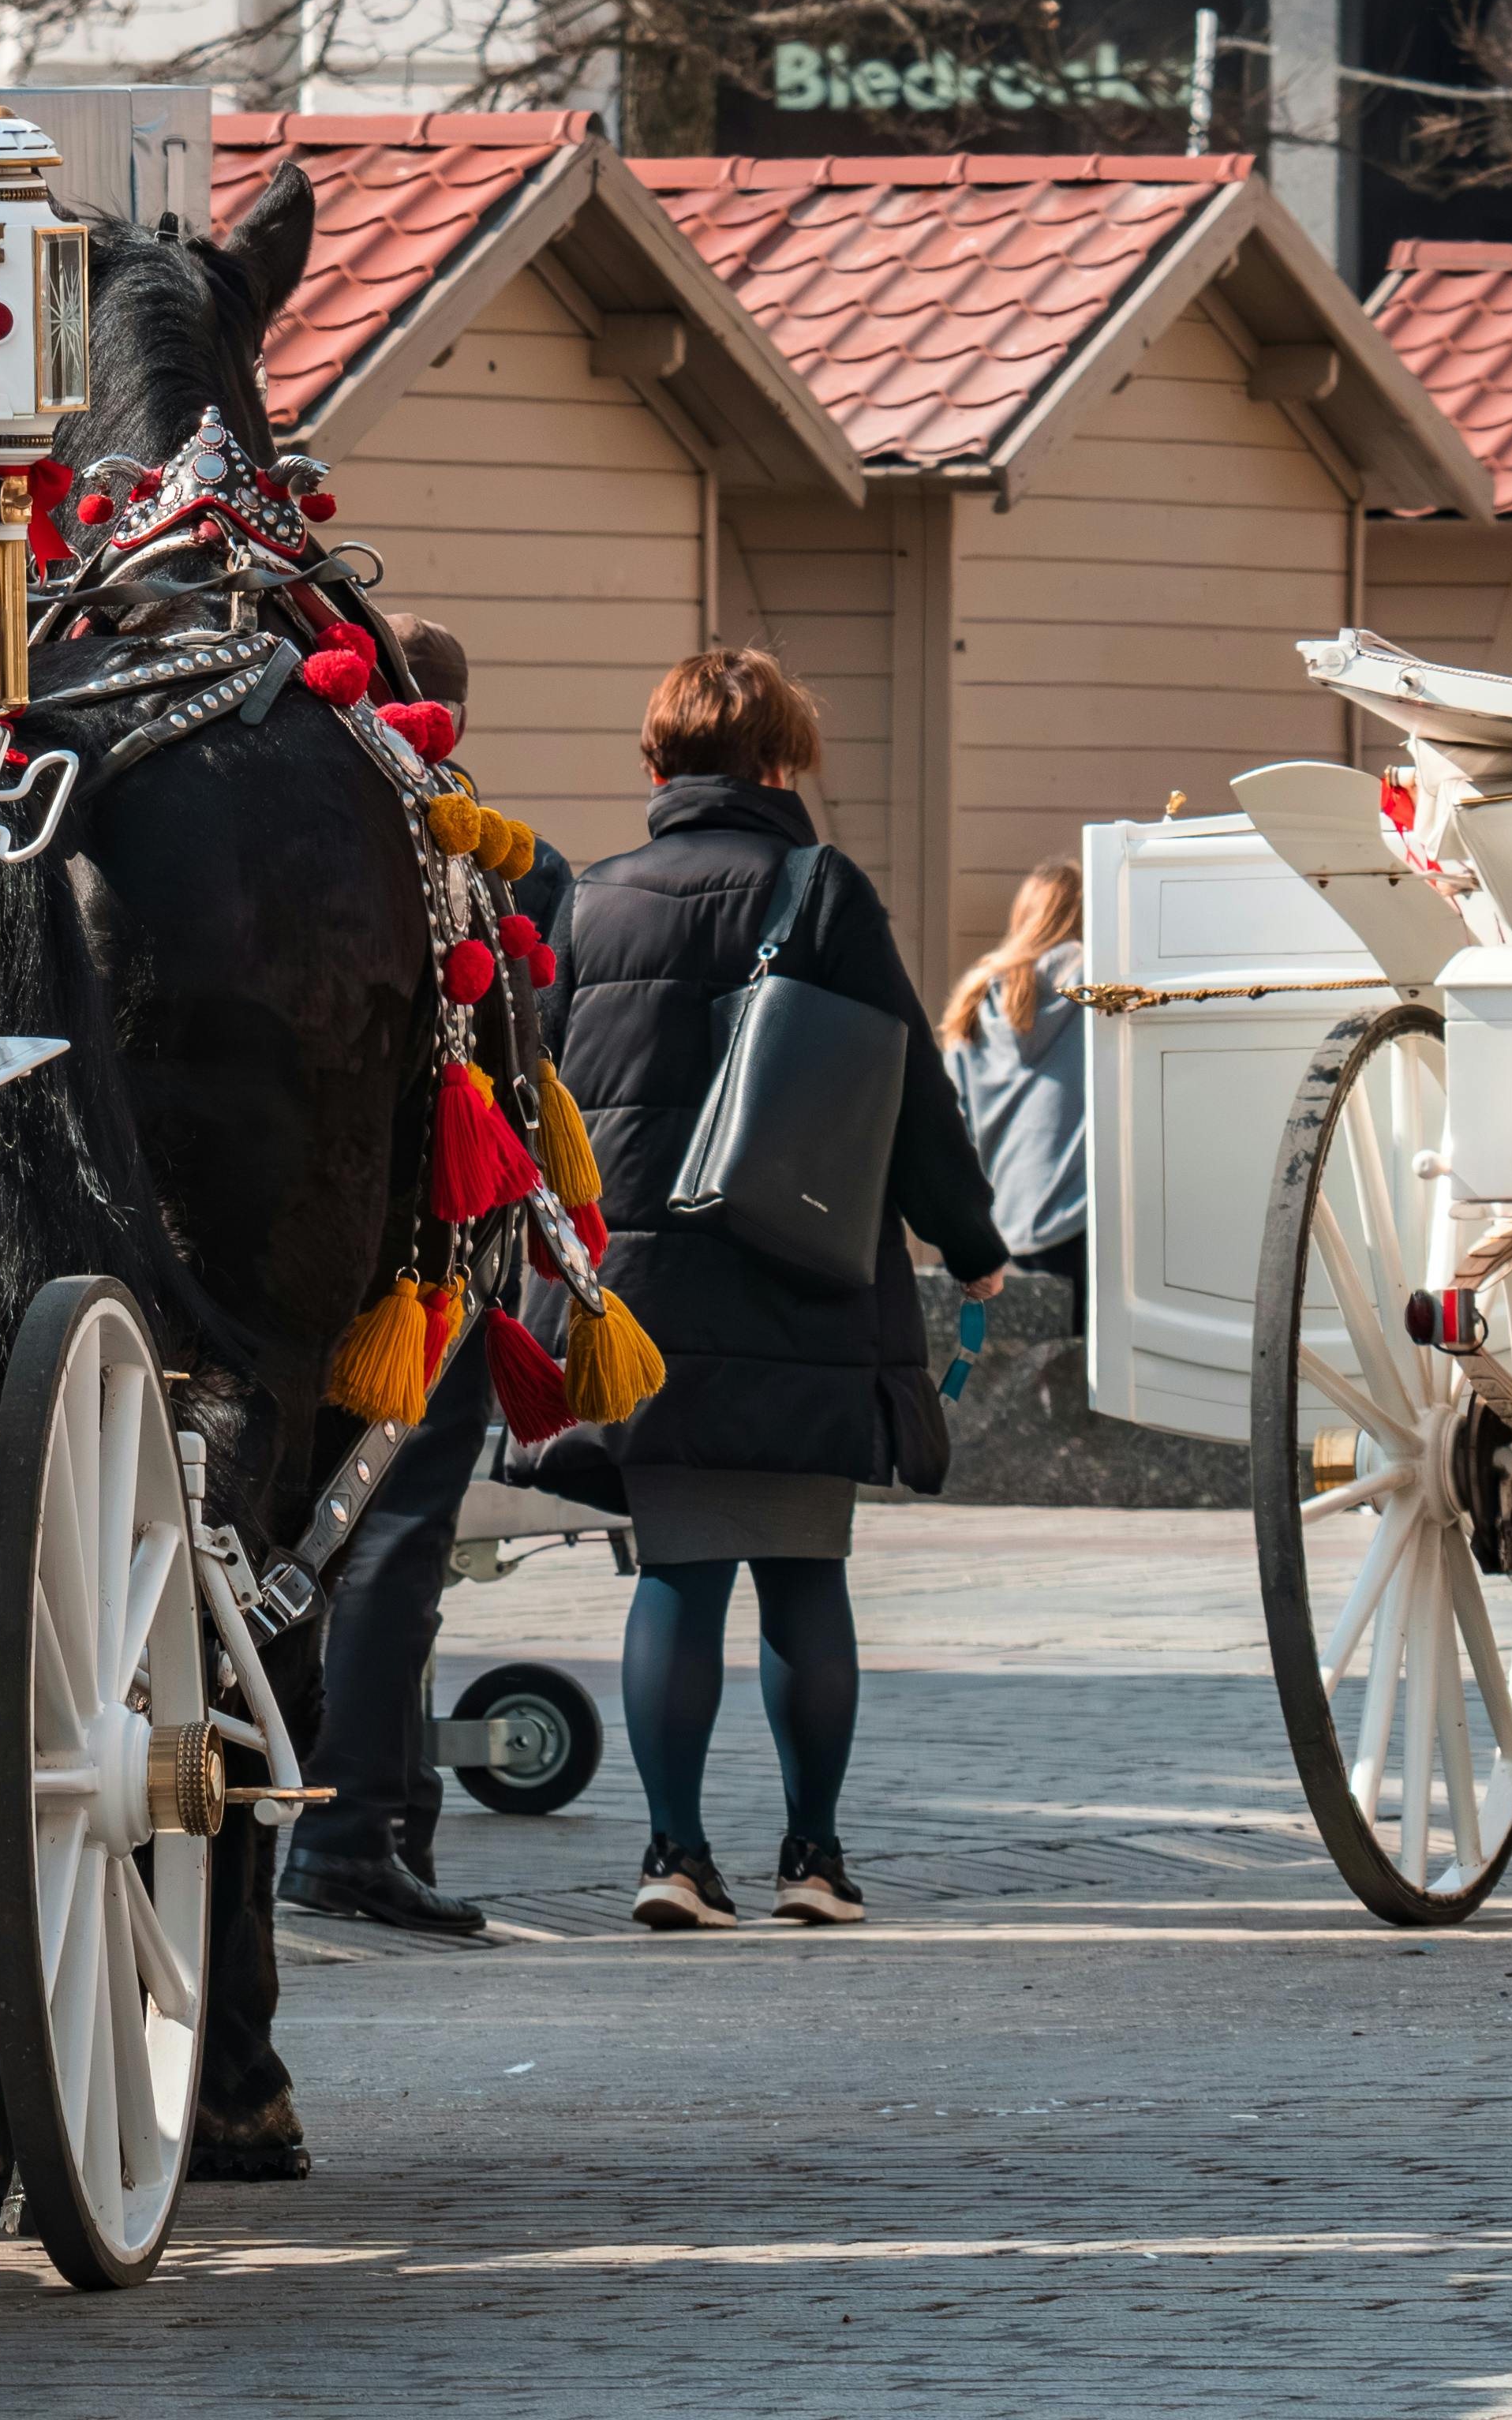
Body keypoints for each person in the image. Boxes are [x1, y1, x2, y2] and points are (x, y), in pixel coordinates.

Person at [551, 650, 1009, 1932]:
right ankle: (812, 1859)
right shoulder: (822, 892)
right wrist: (968, 1241)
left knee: (677, 1574)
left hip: (634, 1295)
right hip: (803, 1280)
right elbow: (908, 1087)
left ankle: (674, 1857)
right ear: (782, 763)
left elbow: (537, 1102)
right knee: (805, 1573)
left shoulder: (587, 904)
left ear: (655, 768)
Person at [282, 614, 566, 1941]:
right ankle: (351, 1828)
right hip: (420, 1261)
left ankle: (353, 1803)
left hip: (287, 1245)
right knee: (395, 1539)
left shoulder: (287, 838)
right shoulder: (472, 852)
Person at [942, 858, 1090, 1326]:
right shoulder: (1102, 988)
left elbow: (953, 1132)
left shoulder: (974, 999)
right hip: (1084, 1223)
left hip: (1004, 1234)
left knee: (1024, 1388)